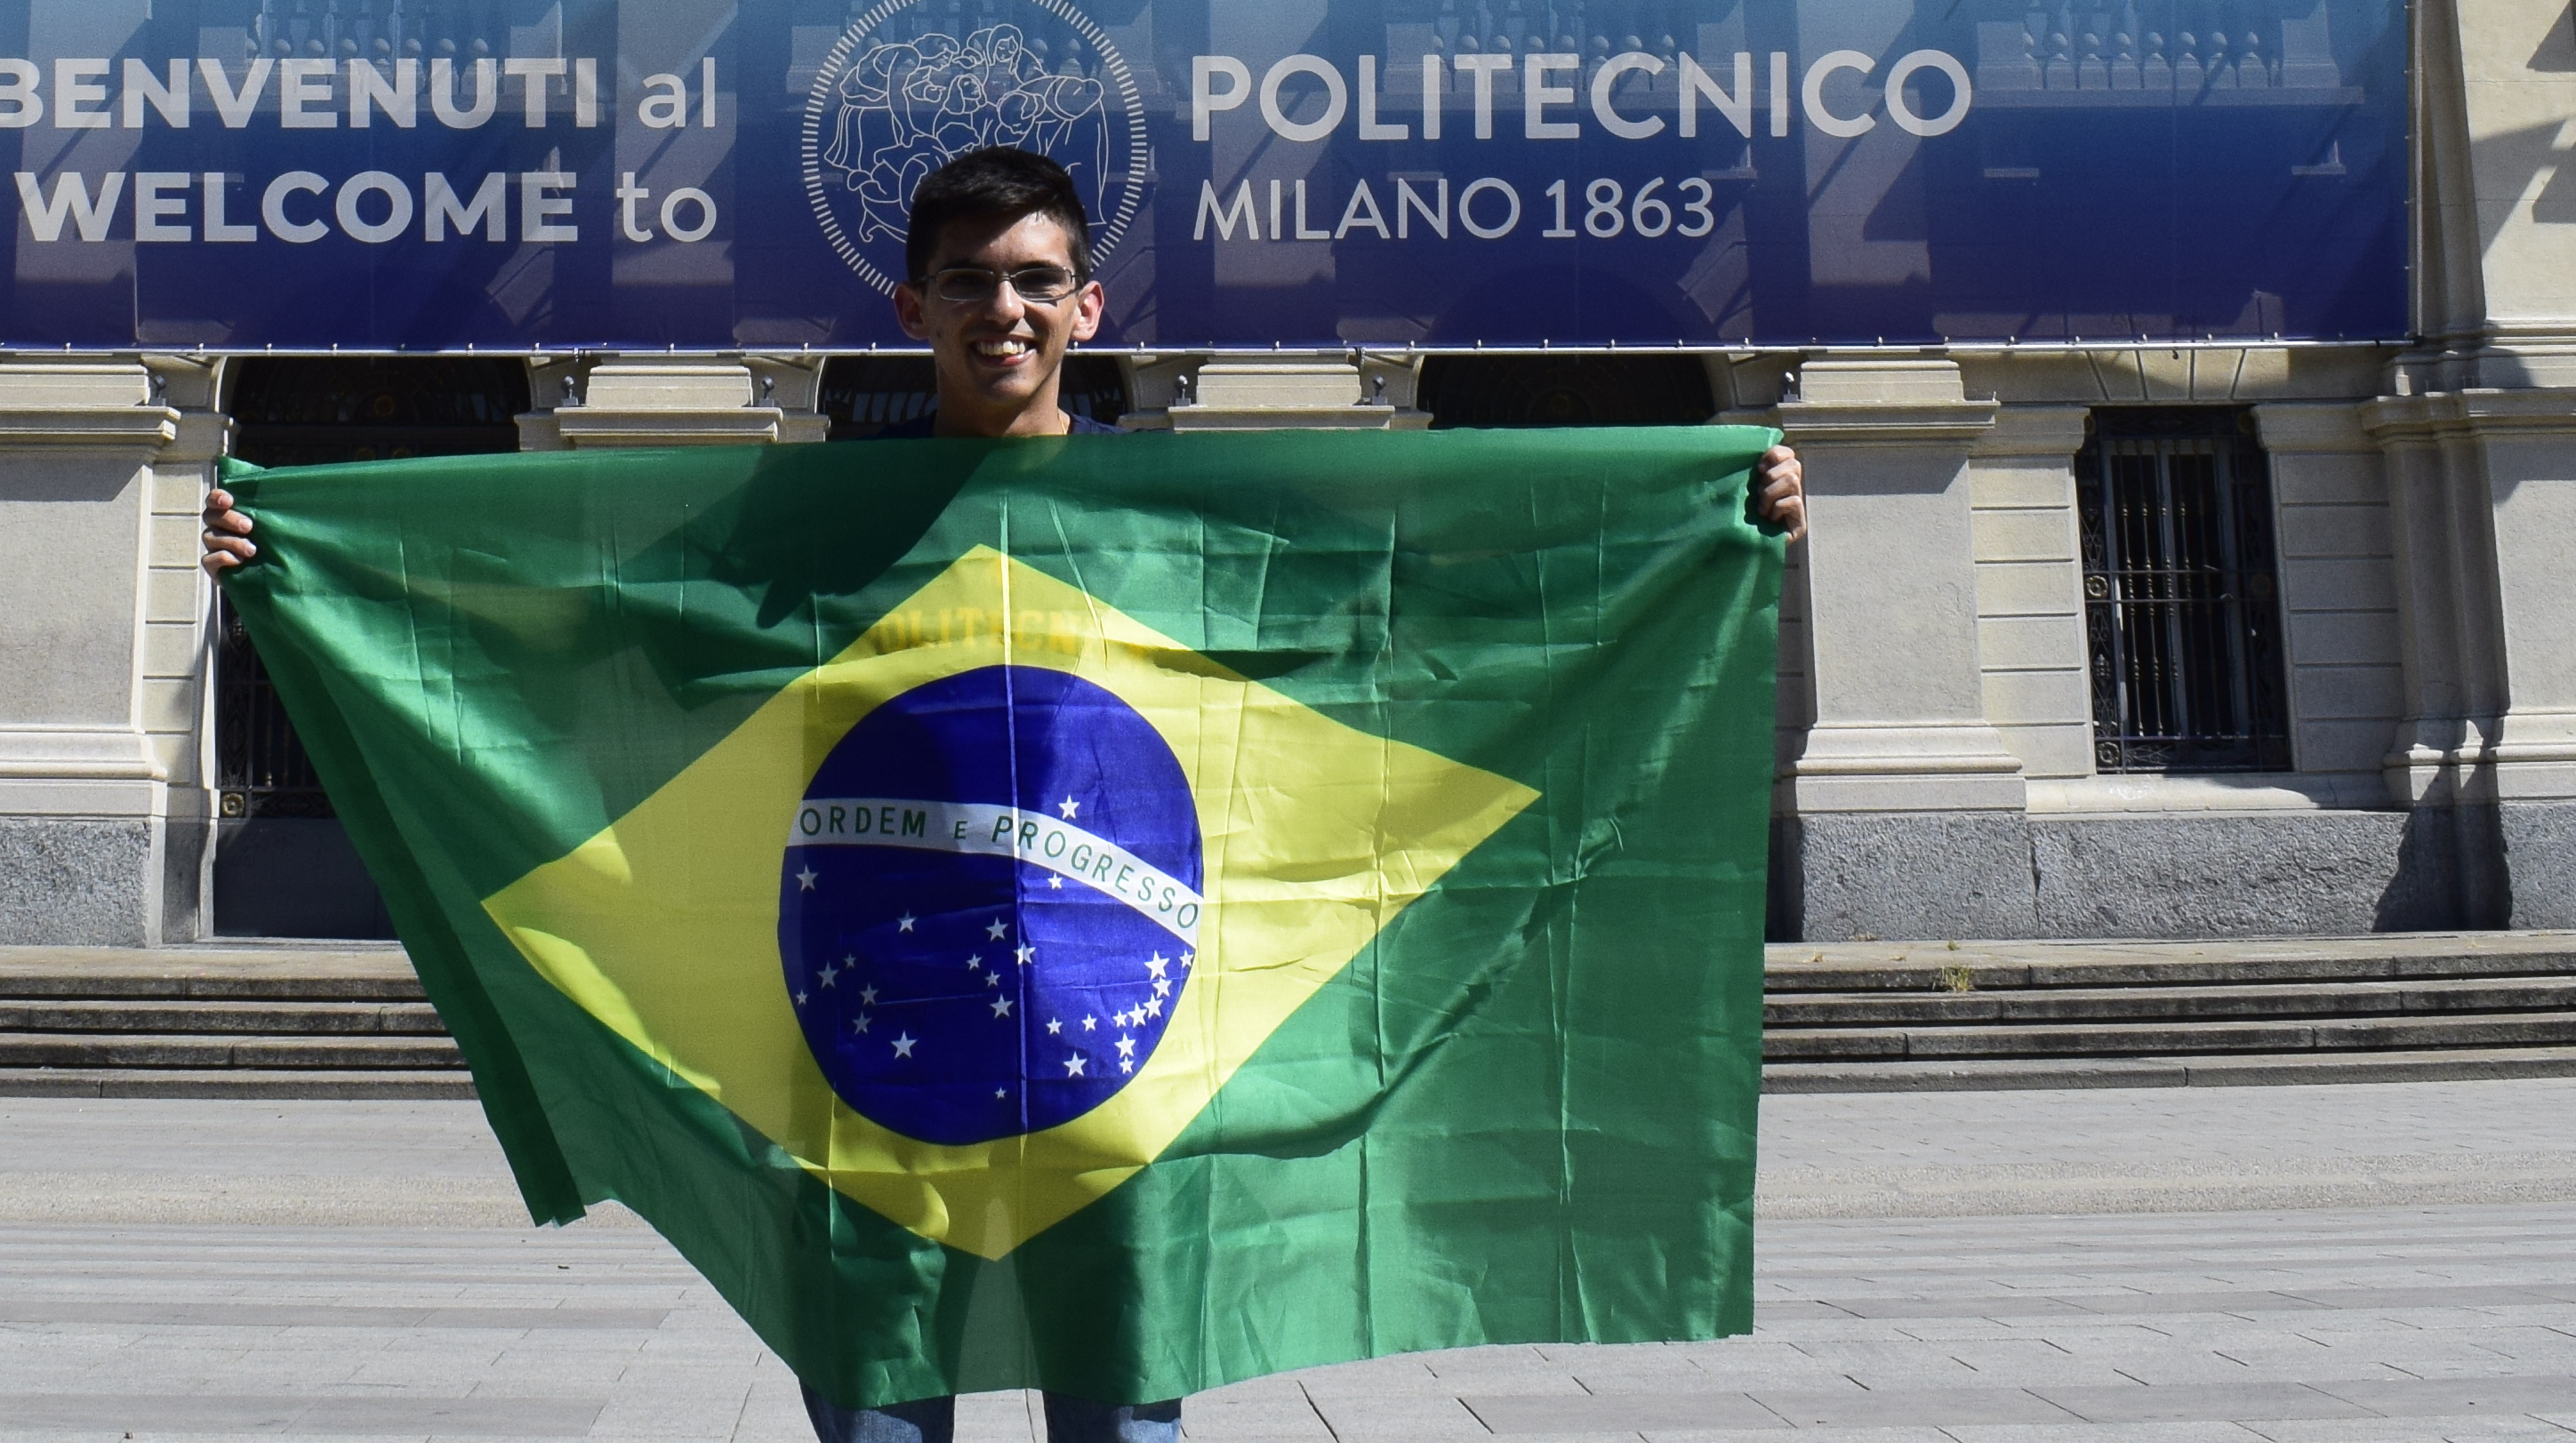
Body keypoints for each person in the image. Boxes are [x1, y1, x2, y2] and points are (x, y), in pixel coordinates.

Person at [205, 142, 1807, 1443]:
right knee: (882, 1428)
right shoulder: (800, 529)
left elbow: (1421, 620)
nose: (1005, 309)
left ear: (1090, 305)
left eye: (1037, 281)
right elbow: (568, 613)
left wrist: (1714, 518)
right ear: (912, 306)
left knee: (1122, 1428)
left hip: (1131, 1095)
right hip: (866, 1089)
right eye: (969, 282)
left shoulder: (1184, 519)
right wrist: (308, 565)